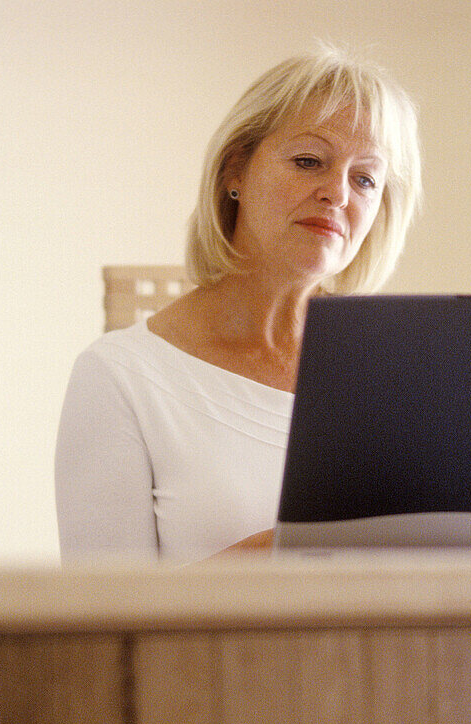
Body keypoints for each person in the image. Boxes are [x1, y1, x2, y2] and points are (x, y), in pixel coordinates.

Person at [55, 41, 423, 562]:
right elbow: (102, 629)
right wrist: (278, 557)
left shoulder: (405, 376)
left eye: (364, 178)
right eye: (309, 160)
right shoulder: (117, 378)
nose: (338, 193)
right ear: (235, 173)